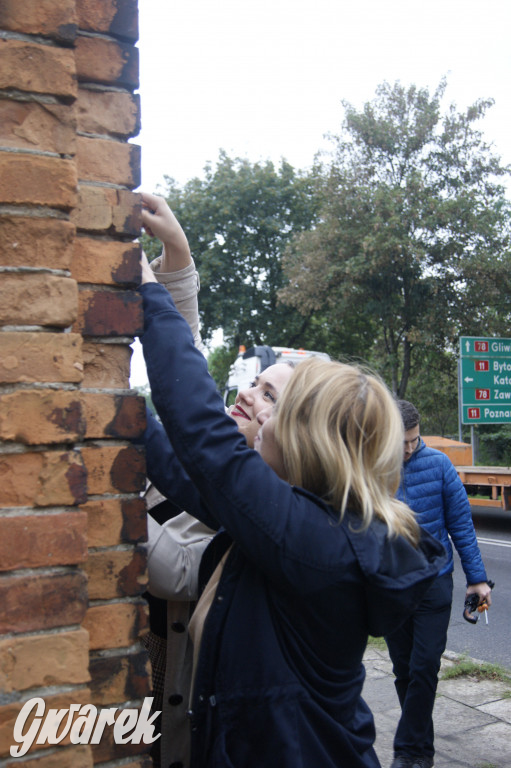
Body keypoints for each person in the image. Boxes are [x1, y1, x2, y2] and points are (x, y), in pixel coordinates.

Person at [137, 256, 446, 768]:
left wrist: (151, 294)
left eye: (275, 407)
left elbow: (203, 435)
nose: (258, 410)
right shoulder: (309, 522)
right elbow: (180, 466)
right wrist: (107, 391)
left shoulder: (314, 541)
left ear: (307, 439)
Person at [138, 193, 295, 768]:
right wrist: (176, 259)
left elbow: (167, 565)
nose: (246, 394)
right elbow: (185, 372)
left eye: (268, 395)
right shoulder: (233, 459)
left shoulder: (260, 514)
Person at [385, 400, 493, 768]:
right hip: (392, 585)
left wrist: (476, 579)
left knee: (425, 665)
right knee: (403, 669)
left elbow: (461, 525)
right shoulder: (373, 467)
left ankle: (409, 750)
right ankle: (420, 749)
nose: (408, 448)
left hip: (434, 583)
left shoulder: (440, 466)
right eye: (401, 441)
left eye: (413, 440)